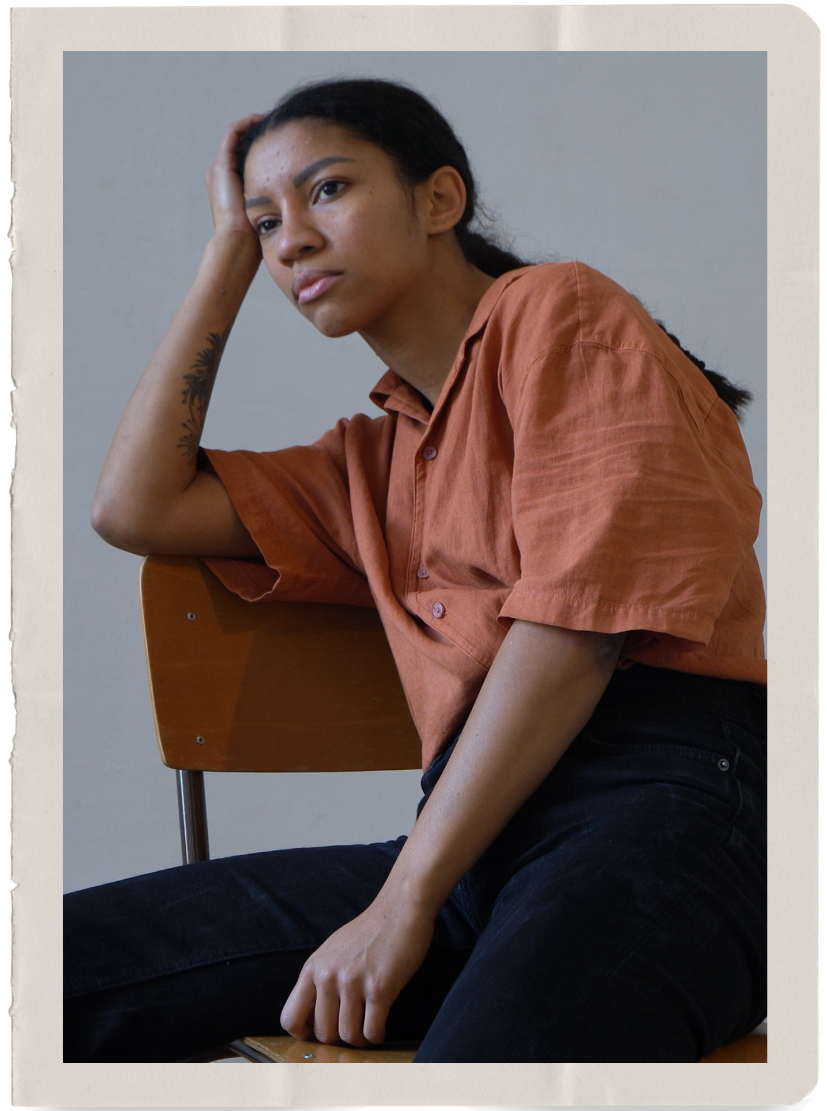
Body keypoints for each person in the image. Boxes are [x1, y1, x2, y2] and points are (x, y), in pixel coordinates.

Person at [64, 78, 767, 1063]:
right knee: (53, 974)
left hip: (665, 810)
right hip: (479, 844)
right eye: (268, 223)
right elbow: (131, 508)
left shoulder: (557, 312)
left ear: (438, 200)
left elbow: (575, 631)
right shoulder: (377, 462)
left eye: (325, 191)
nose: (291, 239)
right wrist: (226, 254)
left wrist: (404, 901)